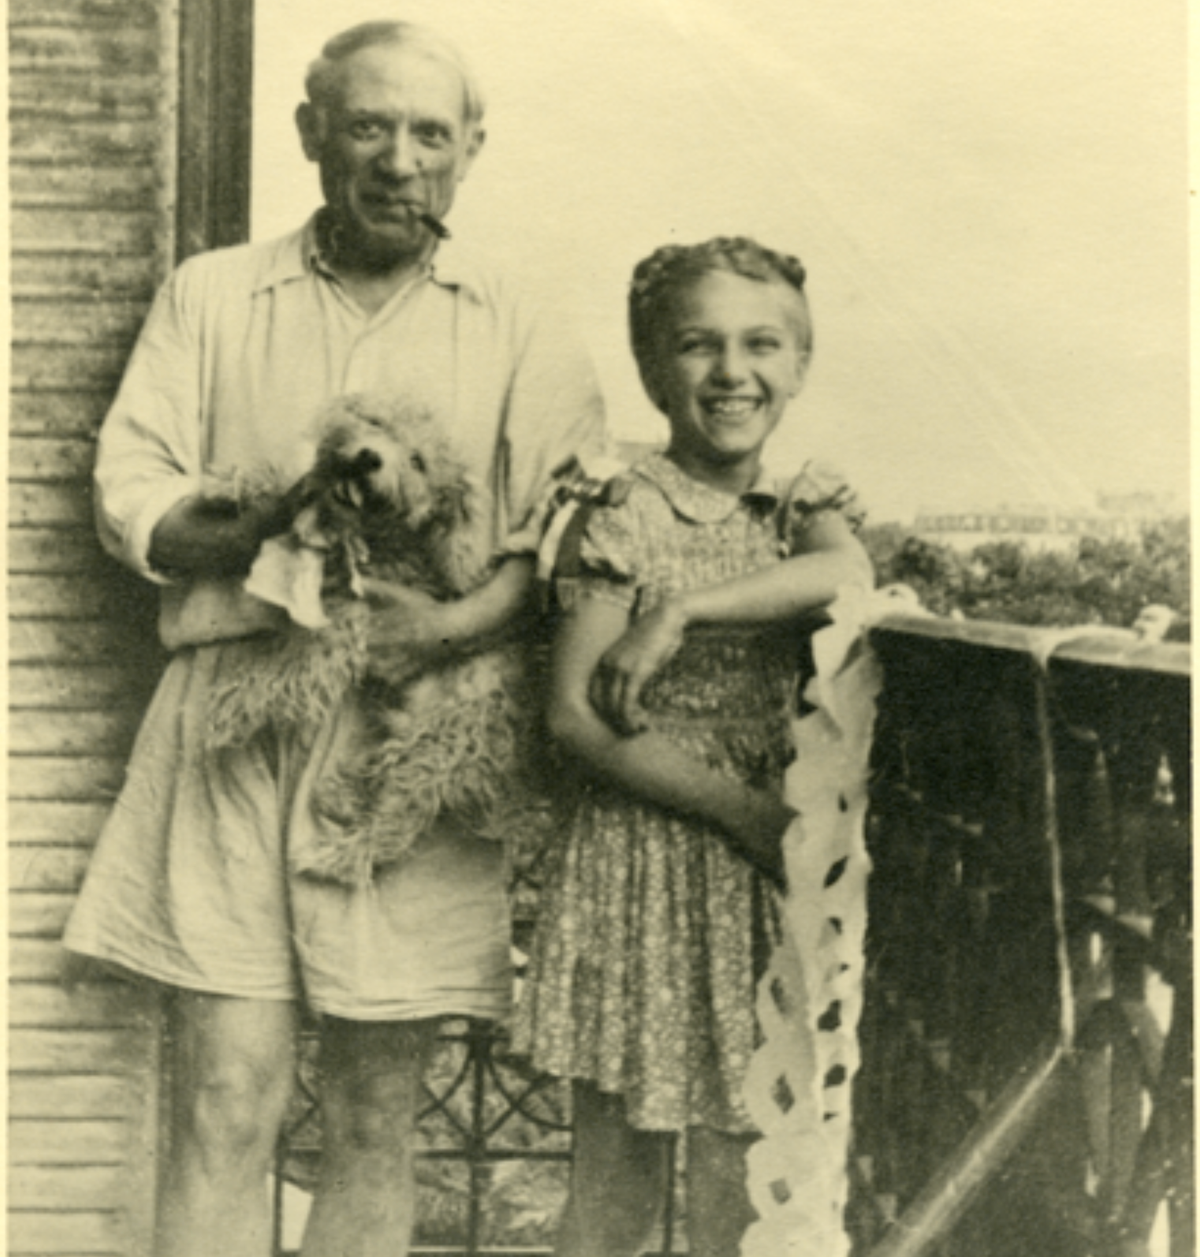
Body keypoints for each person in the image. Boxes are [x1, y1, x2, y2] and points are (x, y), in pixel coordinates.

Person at [62, 21, 605, 1257]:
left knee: (371, 1117)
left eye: (428, 133)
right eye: (368, 127)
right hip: (235, 730)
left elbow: (563, 522)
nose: (399, 160)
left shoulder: (516, 318)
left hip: (410, 757)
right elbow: (127, 492)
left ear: (471, 149)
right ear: (313, 136)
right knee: (223, 1100)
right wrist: (261, 517)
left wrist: (449, 629)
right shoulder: (212, 294)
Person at [513, 237, 872, 1257]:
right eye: (698, 345)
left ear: (798, 366)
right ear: (651, 367)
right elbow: (574, 720)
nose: (731, 372)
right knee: (613, 1194)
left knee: (749, 1185)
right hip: (645, 869)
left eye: (763, 345)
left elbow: (844, 579)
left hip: (763, 895)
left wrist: (682, 610)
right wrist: (746, 813)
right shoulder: (618, 509)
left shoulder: (804, 510)